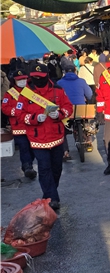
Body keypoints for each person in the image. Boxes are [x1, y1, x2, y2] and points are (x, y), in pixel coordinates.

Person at [15, 62, 73, 210]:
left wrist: (59, 114)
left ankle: (49, 194)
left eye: (41, 77)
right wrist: (34, 118)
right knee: (44, 168)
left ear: (47, 76)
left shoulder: (58, 90)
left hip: (56, 137)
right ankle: (52, 198)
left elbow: (68, 107)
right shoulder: (25, 94)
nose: (38, 80)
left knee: (57, 169)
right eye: (35, 77)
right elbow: (20, 115)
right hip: (37, 139)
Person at [1, 66, 37, 179]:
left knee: (33, 148)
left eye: (24, 79)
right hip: (18, 127)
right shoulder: (10, 94)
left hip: (32, 125)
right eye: (19, 79)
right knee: (24, 147)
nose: (22, 81)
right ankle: (27, 167)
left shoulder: (32, 91)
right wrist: (15, 111)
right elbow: (4, 108)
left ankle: (28, 164)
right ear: (14, 81)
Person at [58, 65, 94, 153]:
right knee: (86, 122)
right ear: (75, 71)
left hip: (67, 110)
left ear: (64, 72)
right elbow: (89, 94)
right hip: (81, 109)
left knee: (61, 128)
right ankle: (89, 141)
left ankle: (65, 151)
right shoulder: (81, 81)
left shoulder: (59, 83)